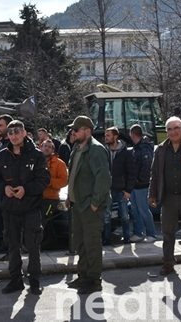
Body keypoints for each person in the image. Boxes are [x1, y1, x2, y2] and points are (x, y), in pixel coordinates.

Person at [0, 120, 50, 295]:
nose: (14, 136)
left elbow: (44, 180)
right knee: (13, 246)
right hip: (10, 209)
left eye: (17, 132)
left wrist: (26, 189)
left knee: (33, 246)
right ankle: (16, 280)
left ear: (24, 133)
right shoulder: (2, 156)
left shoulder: (37, 155)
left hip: (31, 207)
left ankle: (34, 281)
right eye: (10, 133)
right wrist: (4, 188)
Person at [148, 117, 181, 276]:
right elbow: (155, 174)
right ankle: (168, 264)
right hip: (168, 197)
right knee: (167, 233)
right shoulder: (160, 149)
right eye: (169, 129)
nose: (173, 132)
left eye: (176, 128)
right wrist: (152, 194)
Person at [64, 116, 111, 295]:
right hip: (77, 205)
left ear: (87, 131)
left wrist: (94, 203)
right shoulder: (77, 148)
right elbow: (74, 175)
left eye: (76, 130)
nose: (73, 133)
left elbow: (103, 178)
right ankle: (83, 276)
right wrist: (70, 196)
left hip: (90, 207)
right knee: (80, 243)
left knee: (92, 244)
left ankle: (94, 280)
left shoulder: (96, 150)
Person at [102, 127, 136, 245]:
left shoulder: (125, 152)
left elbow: (131, 172)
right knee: (106, 216)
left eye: (108, 135)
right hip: (107, 189)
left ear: (115, 137)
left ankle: (126, 238)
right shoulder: (104, 151)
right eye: (105, 136)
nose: (106, 138)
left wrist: (128, 190)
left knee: (124, 216)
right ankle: (106, 239)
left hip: (121, 189)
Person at [129, 124, 157, 243]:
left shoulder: (143, 148)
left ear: (133, 134)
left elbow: (146, 166)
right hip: (136, 184)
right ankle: (138, 233)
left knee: (143, 209)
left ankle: (151, 234)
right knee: (136, 210)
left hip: (142, 185)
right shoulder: (138, 147)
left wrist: (139, 180)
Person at [40, 139, 68, 249]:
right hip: (37, 197)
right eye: (45, 146)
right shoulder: (36, 161)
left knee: (43, 220)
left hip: (51, 198)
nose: (46, 148)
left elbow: (64, 181)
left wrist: (49, 182)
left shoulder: (59, 163)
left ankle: (38, 244)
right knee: (46, 222)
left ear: (53, 149)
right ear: (40, 147)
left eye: (49, 147)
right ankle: (49, 242)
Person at [0, 114, 13, 255]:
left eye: (1, 125)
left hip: (9, 191)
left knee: (8, 221)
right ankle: (1, 243)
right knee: (0, 218)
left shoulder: (12, 145)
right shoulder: (0, 145)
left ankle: (7, 245)